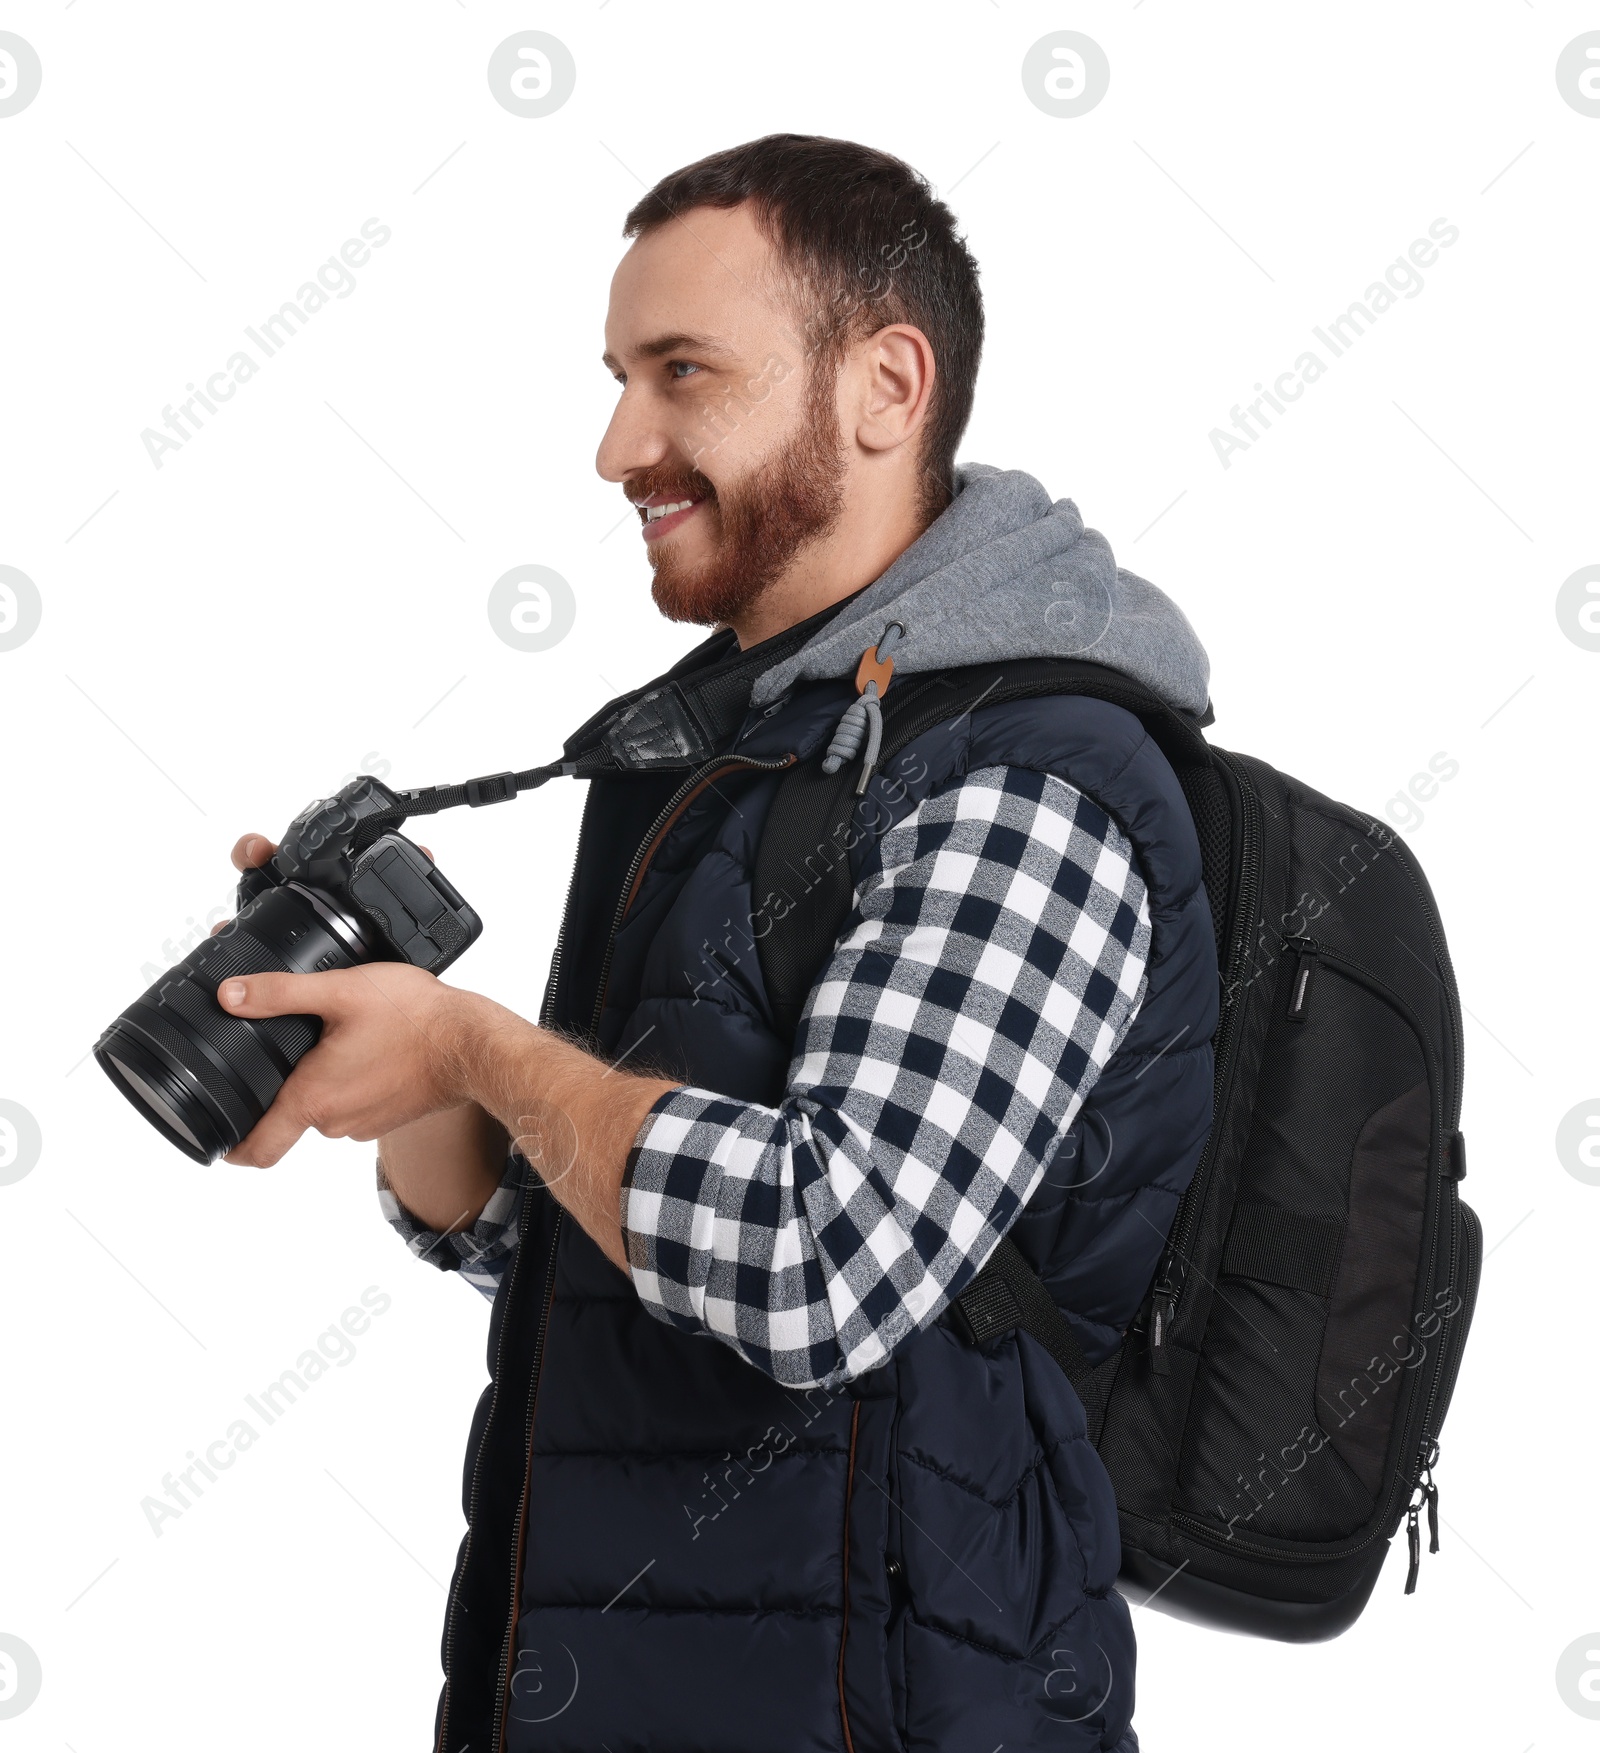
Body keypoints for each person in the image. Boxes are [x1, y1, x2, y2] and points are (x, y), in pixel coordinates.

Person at [217, 134, 1217, 1752]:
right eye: (619, 377)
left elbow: (821, 1270)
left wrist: (477, 1043)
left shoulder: (1034, 774)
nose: (620, 443)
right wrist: (401, 1066)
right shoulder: (716, 765)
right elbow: (577, 1261)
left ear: (888, 385)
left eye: (683, 373)